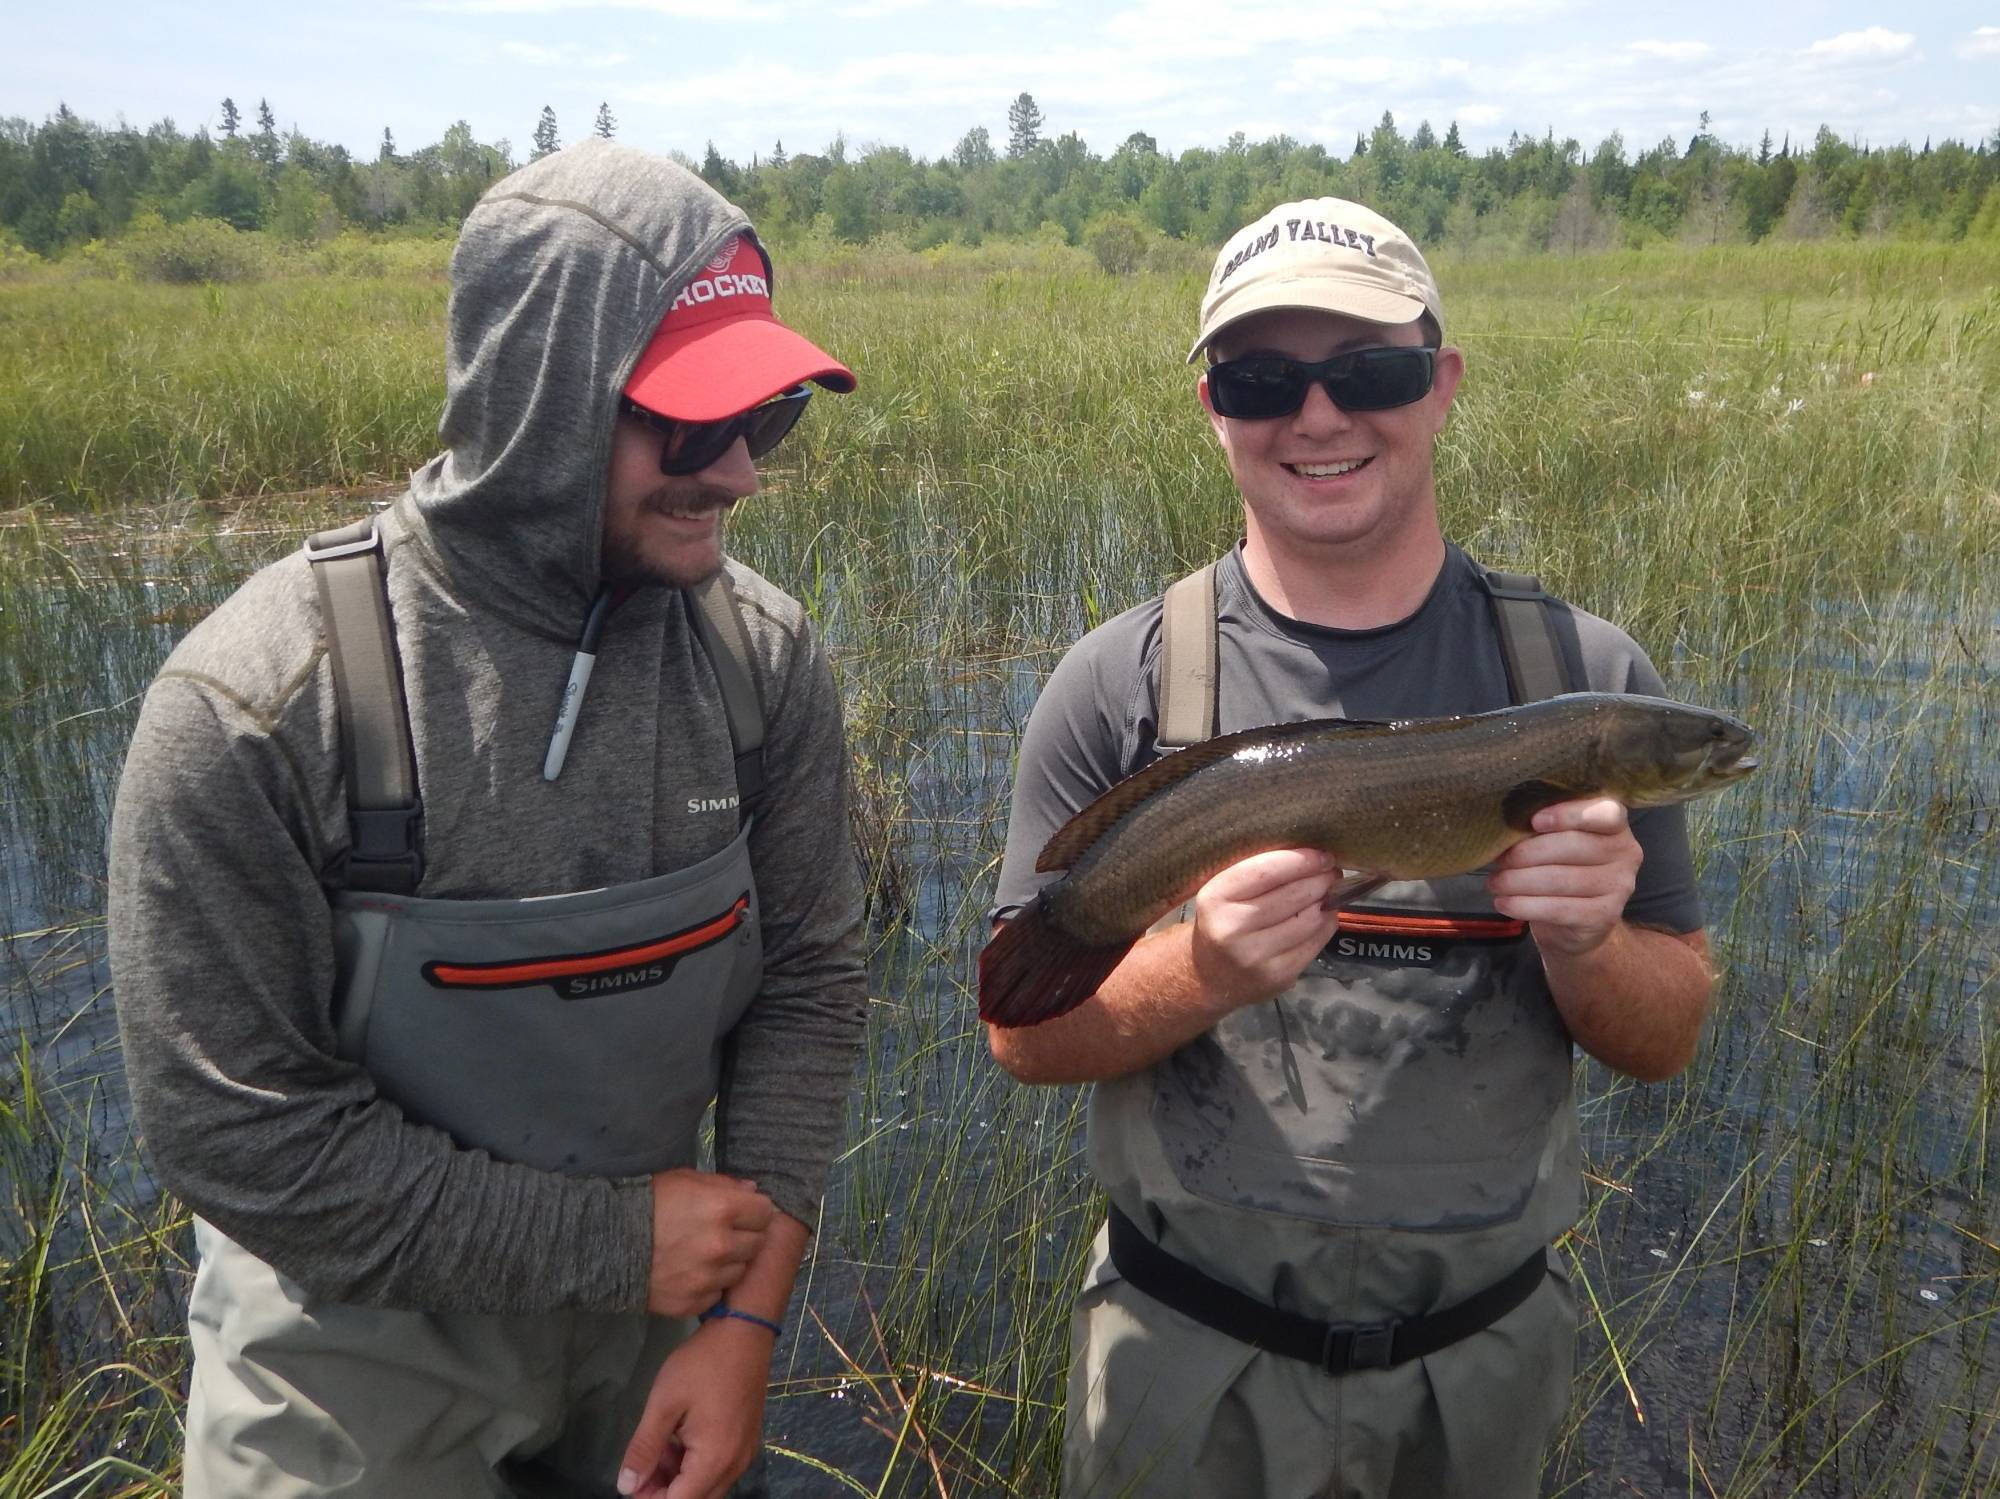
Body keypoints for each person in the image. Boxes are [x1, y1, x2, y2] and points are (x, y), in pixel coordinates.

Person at [107, 140, 868, 1499]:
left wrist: (744, 1321)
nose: (742, 473)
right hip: (349, 1370)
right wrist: (607, 1244)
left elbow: (809, 982)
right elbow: (235, 1135)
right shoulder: (263, 703)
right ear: (539, 404)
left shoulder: (761, 659)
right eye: (690, 428)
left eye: (764, 419)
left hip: (660, 1329)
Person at [985, 196, 1716, 1498]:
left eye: (1367, 371)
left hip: (1475, 1378)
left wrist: (1589, 945)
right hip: (1185, 1368)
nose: (1318, 418)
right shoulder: (1120, 684)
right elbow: (1023, 1034)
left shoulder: (1585, 680)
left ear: (1439, 387)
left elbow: (1665, 1041)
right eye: (1265, 379)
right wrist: (1201, 973)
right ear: (1214, 404)